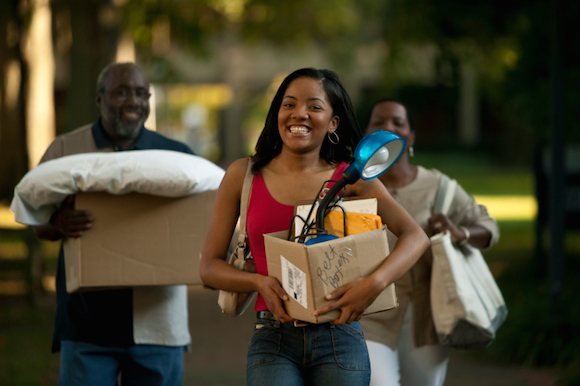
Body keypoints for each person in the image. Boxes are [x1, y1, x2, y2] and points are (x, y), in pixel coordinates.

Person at [200, 68, 429, 386]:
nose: (299, 114)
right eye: (289, 104)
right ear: (277, 113)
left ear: (333, 123)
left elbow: (416, 236)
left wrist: (374, 283)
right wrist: (258, 282)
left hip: (340, 337)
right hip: (273, 337)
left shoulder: (352, 179)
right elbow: (209, 268)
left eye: (315, 106)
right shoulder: (244, 175)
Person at [34, 62, 195, 386]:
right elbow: (36, 220)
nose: (134, 101)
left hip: (158, 322)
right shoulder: (65, 151)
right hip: (86, 325)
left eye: (141, 94)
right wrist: (56, 222)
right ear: (100, 100)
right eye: (122, 93)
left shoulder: (177, 156)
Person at [359, 98, 500, 386]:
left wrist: (460, 233)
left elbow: (489, 227)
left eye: (398, 123)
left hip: (428, 317)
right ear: (367, 134)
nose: (388, 127)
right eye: (379, 122)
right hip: (368, 316)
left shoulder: (439, 188)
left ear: (410, 137)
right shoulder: (353, 188)